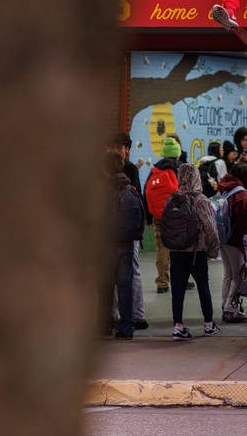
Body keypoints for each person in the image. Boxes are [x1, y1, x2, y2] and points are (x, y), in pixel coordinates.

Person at [169, 163, 222, 341]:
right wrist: (213, 250)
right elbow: (210, 228)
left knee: (177, 290)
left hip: (176, 251)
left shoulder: (173, 198)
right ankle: (208, 324)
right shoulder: (200, 200)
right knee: (203, 287)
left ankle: (178, 327)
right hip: (196, 253)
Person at [106, 132, 148, 330]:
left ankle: (137, 315)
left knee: (131, 274)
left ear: (127, 149)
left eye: (120, 147)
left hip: (127, 232)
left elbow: (136, 196)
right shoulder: (107, 168)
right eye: (114, 147)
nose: (117, 150)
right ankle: (116, 316)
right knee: (116, 279)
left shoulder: (130, 169)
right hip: (115, 233)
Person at [101, 151, 140, 340]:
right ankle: (126, 327)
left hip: (106, 245)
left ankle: (103, 325)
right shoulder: (130, 189)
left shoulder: (102, 191)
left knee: (105, 286)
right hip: (127, 244)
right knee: (125, 286)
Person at [143, 136, 182, 294]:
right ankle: (180, 279)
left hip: (158, 218)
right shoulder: (180, 169)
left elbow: (146, 193)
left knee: (162, 249)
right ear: (177, 153)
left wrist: (148, 217)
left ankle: (162, 283)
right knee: (179, 249)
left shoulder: (155, 170)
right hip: (178, 218)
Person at [218, 164, 247, 323]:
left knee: (228, 273)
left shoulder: (224, 188)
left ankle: (225, 304)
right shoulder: (241, 194)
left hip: (222, 236)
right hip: (235, 239)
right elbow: (242, 223)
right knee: (238, 275)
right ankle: (230, 310)